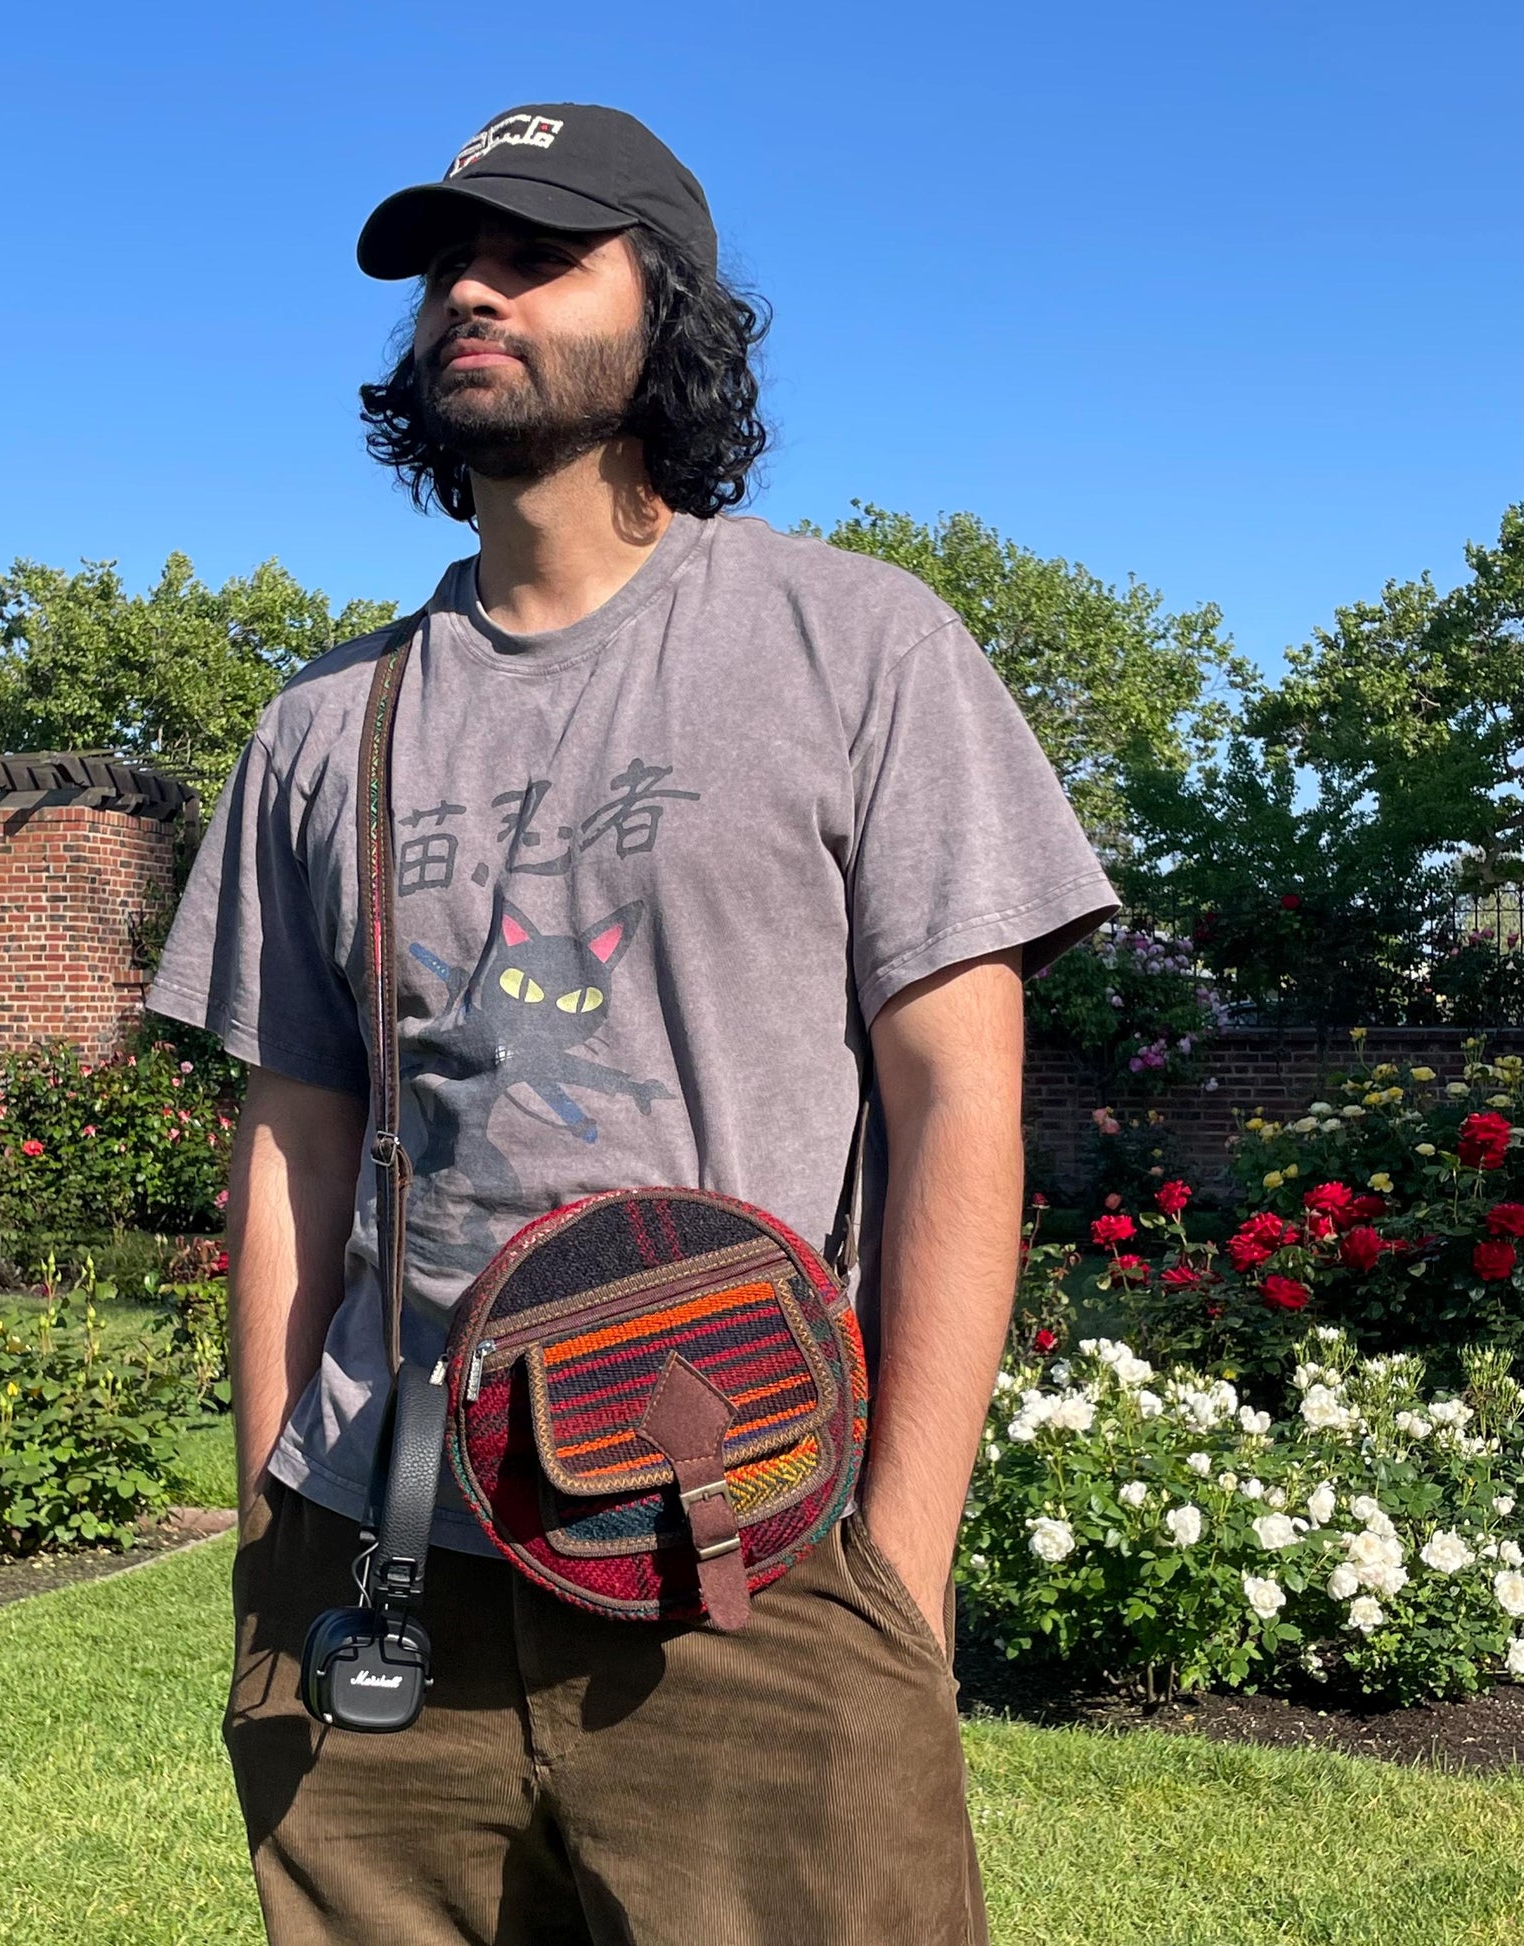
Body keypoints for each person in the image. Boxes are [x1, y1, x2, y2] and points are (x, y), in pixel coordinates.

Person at [148, 100, 1119, 1946]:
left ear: (662, 313)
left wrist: (892, 1571)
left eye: (536, 253)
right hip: (383, 1584)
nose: (470, 293)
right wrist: (282, 1513)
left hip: (743, 1556)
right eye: (449, 262)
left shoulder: (860, 648)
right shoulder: (318, 728)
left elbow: (957, 1118)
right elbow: (292, 1142)